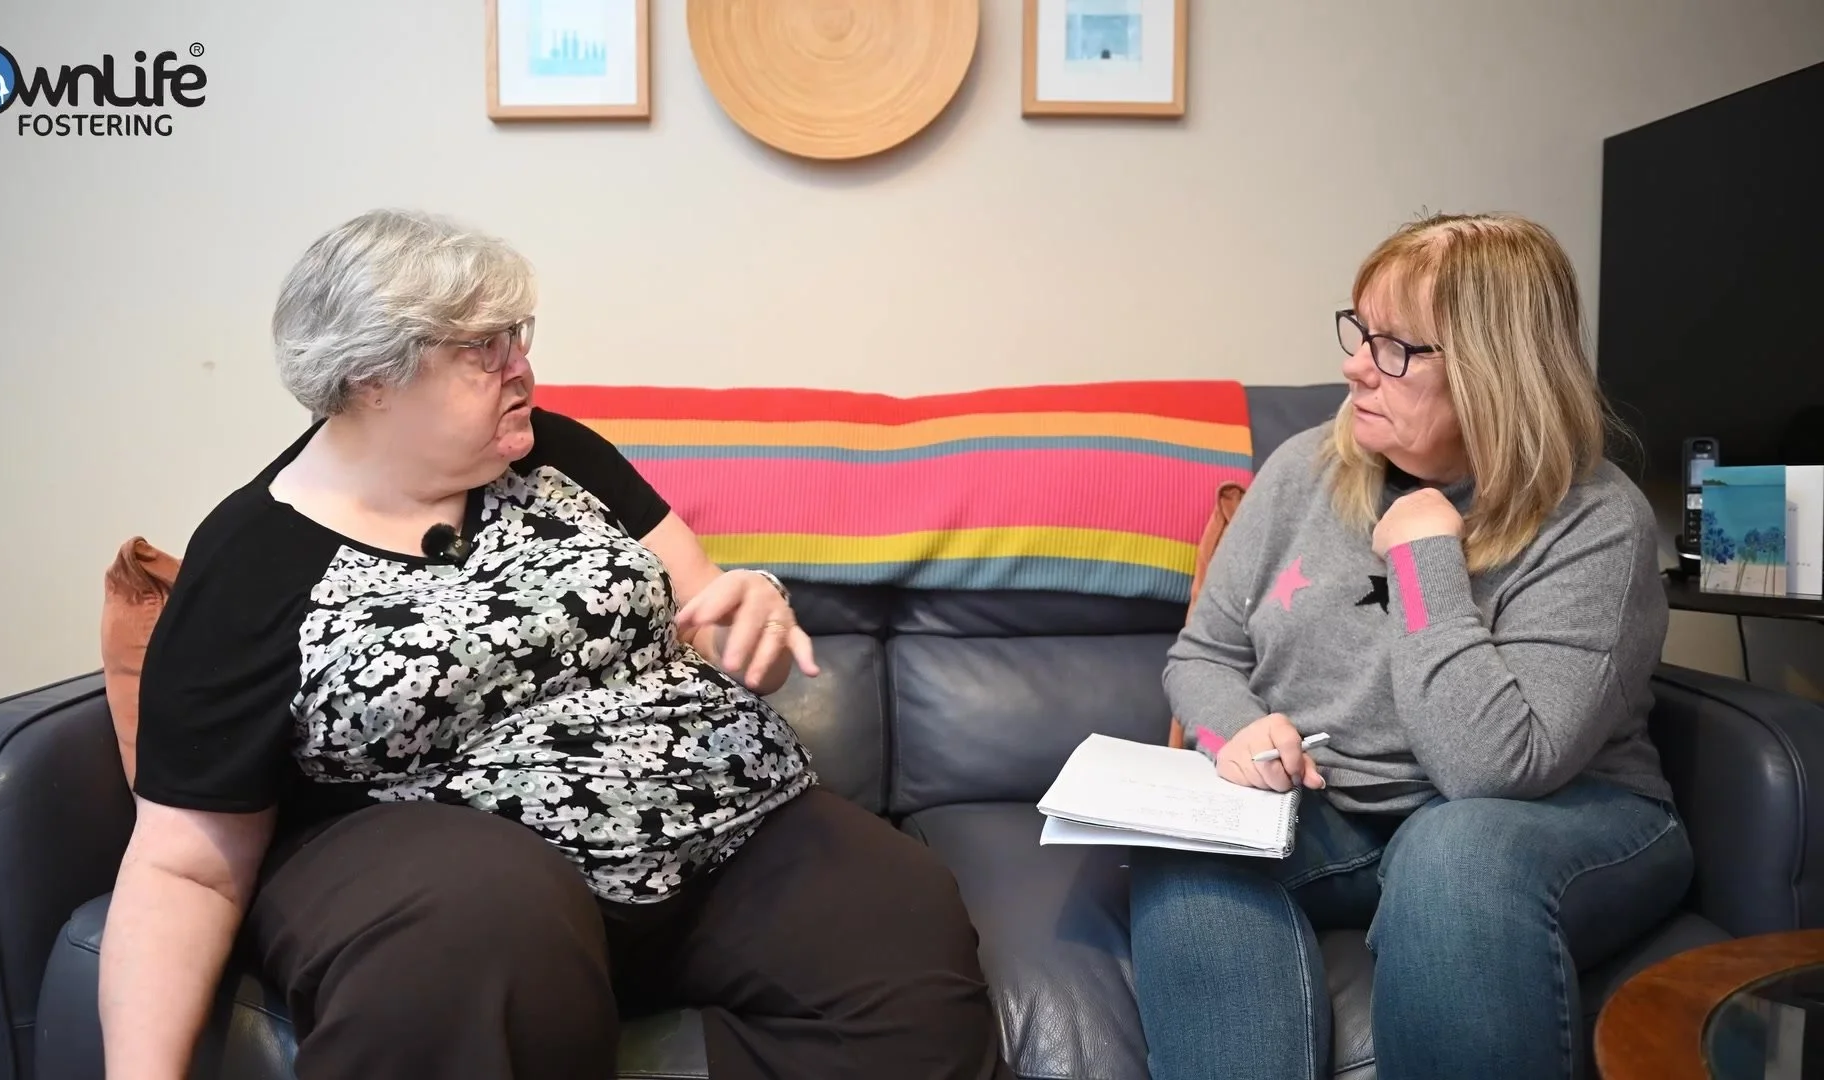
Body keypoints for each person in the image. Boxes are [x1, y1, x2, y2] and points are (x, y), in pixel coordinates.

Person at [99, 208, 1014, 1080]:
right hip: (441, 864)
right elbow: (185, 863)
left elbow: (718, 626)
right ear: (372, 378)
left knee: (893, 907)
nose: (523, 369)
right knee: (476, 917)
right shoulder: (252, 563)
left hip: (724, 827)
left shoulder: (558, 455)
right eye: (484, 349)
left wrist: (759, 618)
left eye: (520, 336)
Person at [1128, 212, 1693, 1080]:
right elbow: (1202, 655)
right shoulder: (1303, 469)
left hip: (1557, 815)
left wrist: (1427, 558)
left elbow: (1490, 771)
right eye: (1359, 331)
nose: (1355, 364)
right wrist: (1233, 732)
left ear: (1494, 371)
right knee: (1185, 843)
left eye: (1394, 347)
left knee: (1451, 851)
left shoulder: (1595, 522)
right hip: (1338, 806)